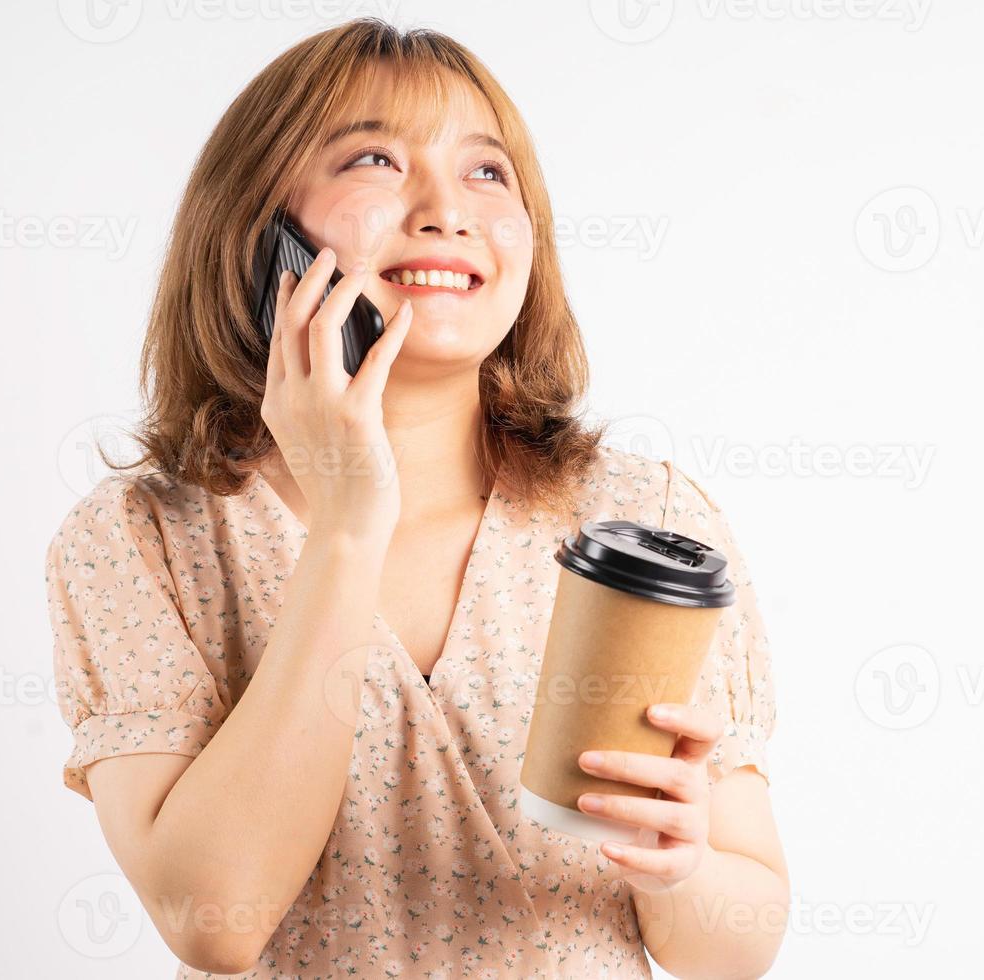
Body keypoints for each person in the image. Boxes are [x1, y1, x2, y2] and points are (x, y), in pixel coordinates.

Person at [46, 18, 786, 978]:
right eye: (376, 161)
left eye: (488, 172)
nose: (447, 209)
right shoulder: (145, 539)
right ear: (262, 229)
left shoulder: (647, 522)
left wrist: (681, 871)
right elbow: (213, 919)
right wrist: (351, 523)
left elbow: (739, 946)